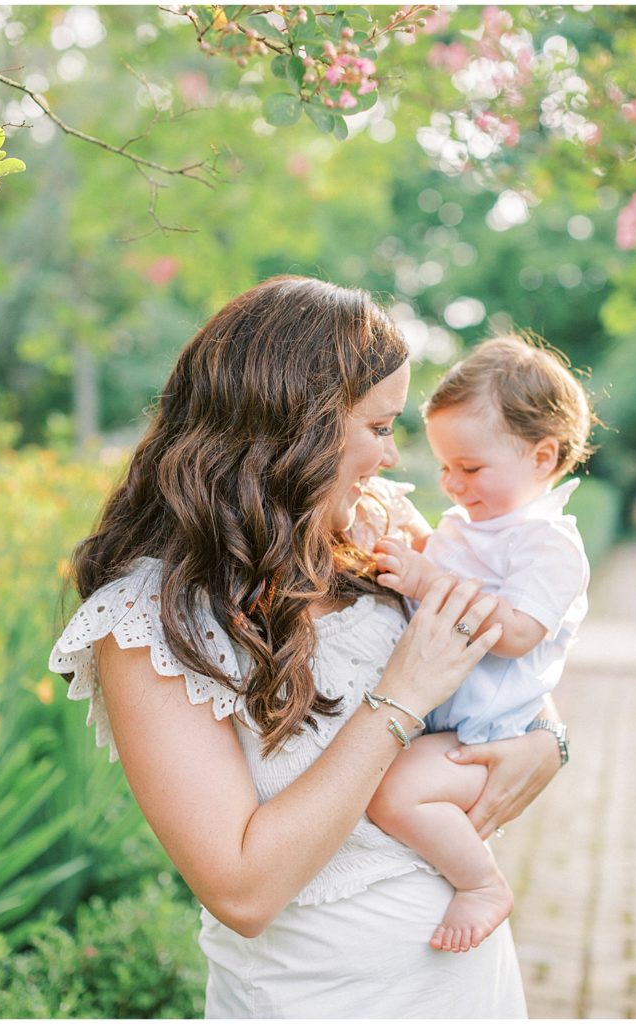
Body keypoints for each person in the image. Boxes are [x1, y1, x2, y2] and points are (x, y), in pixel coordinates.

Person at [50, 278, 564, 1019]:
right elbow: (242, 889)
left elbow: (505, 660)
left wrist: (551, 738)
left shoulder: (375, 523)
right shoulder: (146, 622)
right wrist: (401, 697)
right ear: (298, 427)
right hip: (319, 1000)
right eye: (380, 427)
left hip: (470, 987)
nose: (393, 459)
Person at [368, 334, 593, 956]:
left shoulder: (546, 543)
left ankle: (482, 884)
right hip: (445, 717)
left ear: (542, 458)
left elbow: (518, 633)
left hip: (486, 730)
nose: (452, 484)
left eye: (470, 468)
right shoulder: (472, 528)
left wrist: (426, 579)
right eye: (444, 466)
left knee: (395, 794)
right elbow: (431, 561)